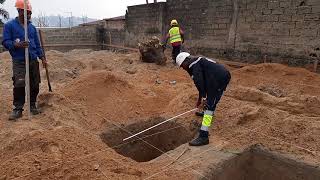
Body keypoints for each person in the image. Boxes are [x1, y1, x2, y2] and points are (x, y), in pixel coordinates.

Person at [2, 0, 47, 120]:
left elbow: (37, 45)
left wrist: (42, 57)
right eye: (26, 12)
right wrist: (17, 45)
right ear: (19, 11)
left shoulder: (32, 28)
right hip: (19, 60)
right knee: (19, 83)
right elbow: (5, 42)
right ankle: (18, 109)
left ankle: (32, 105)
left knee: (35, 83)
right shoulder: (9, 26)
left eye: (30, 13)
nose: (28, 15)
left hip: (32, 59)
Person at [176, 52, 231, 146]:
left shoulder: (194, 65)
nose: (183, 68)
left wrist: (204, 98)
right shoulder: (196, 62)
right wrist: (200, 98)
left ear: (186, 60)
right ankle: (208, 111)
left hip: (218, 79)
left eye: (182, 65)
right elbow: (200, 85)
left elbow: (200, 82)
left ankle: (203, 136)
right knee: (210, 101)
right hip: (215, 78)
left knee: (209, 105)